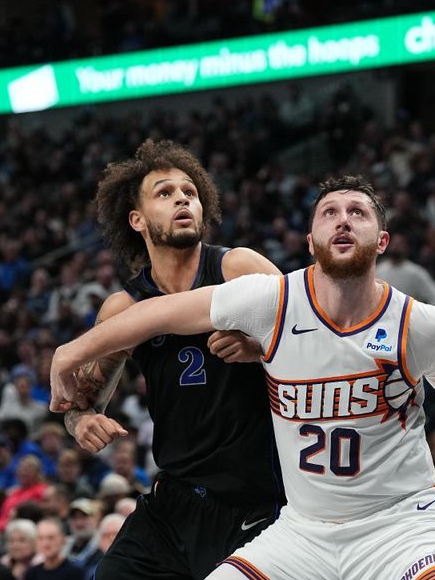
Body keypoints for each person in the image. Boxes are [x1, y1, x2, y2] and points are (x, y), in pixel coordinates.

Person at [51, 175, 435, 579]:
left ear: (382, 241)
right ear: (310, 242)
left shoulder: (421, 325)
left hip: (398, 525)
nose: (343, 220)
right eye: (329, 212)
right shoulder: (272, 300)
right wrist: (68, 353)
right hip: (301, 530)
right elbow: (156, 314)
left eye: (358, 213)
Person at [56, 139, 284, 579]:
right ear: (136, 220)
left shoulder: (239, 268)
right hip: (173, 502)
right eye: (164, 192)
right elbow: (77, 405)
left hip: (255, 503)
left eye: (191, 192)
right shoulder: (123, 309)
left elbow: (317, 342)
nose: (182, 198)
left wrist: (262, 350)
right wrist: (81, 422)